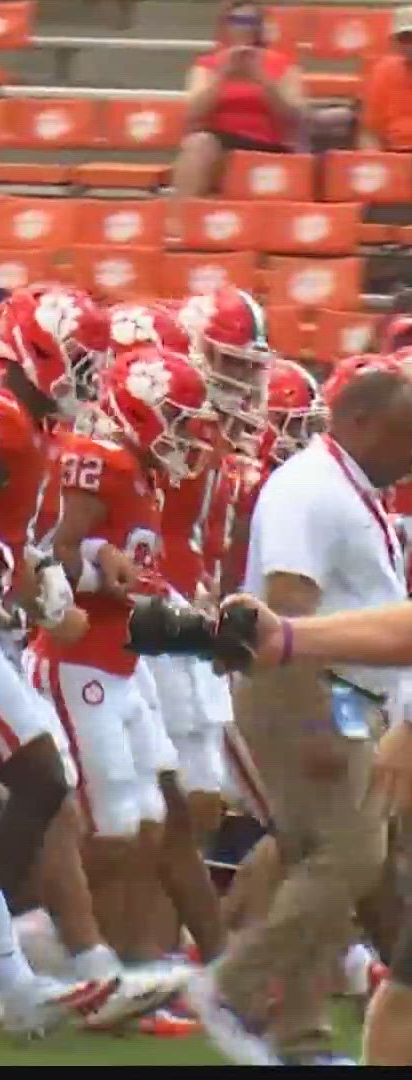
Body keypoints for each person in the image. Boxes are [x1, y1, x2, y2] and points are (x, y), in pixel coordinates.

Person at [187, 365, 412, 1067]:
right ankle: (237, 988)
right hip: (307, 688)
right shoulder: (308, 489)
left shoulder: (350, 488)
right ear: (362, 423)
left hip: (343, 690)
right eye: (407, 435)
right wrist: (317, 716)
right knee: (349, 853)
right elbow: (285, 603)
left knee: (333, 861)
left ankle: (300, 1038)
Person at [171, 2, 308, 207]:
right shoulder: (207, 66)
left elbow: (294, 117)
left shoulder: (284, 65)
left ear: (260, 27)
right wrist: (221, 77)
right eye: (236, 20)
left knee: (200, 147)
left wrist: (263, 81)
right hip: (219, 147)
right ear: (225, 26)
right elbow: (193, 115)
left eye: (250, 21)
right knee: (198, 144)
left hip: (268, 145)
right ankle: (178, 222)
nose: (243, 26)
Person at [360, 7, 412, 151]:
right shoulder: (383, 71)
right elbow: (369, 133)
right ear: (395, 42)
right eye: (406, 38)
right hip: (395, 154)